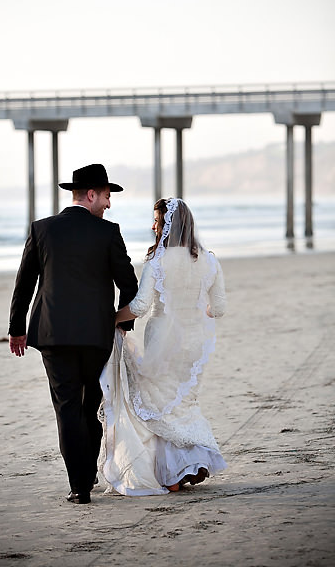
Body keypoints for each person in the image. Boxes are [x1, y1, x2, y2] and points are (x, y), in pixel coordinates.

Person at [8, 164, 139, 504]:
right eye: (107, 197)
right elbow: (130, 286)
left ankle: (79, 486)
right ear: (92, 194)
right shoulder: (108, 233)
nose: (109, 204)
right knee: (90, 405)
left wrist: (17, 329)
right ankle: (87, 474)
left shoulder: (42, 230)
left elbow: (24, 284)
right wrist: (123, 325)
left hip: (52, 334)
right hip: (97, 335)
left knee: (66, 407)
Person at [101, 197, 227, 495]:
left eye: (157, 221)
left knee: (159, 404)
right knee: (184, 402)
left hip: (162, 341)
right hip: (195, 343)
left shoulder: (158, 261)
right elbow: (218, 308)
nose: (153, 226)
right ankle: (191, 463)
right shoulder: (209, 259)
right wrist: (198, 312)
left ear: (169, 226)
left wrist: (111, 319)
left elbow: (141, 306)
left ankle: (172, 473)